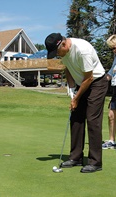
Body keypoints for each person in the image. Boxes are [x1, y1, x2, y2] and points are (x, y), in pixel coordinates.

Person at [45, 33, 108, 173]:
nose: (57, 55)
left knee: (92, 119)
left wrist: (76, 98)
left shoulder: (82, 50)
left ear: (63, 44)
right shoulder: (64, 53)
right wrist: (72, 88)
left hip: (97, 82)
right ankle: (76, 157)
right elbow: (68, 69)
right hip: (82, 83)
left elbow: (89, 78)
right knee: (76, 118)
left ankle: (95, 162)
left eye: (57, 52)